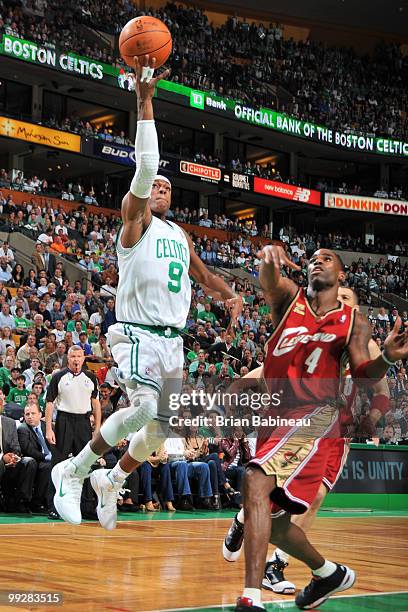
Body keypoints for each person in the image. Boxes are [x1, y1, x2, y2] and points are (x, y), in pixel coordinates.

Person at [51, 55, 242, 531]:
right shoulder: (134, 220)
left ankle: (111, 479)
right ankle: (72, 472)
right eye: (151, 185)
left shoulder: (179, 235)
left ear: (172, 197)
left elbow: (202, 274)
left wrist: (229, 295)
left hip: (172, 340)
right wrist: (144, 99)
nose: (156, 187)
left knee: (160, 426)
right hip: (136, 331)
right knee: (145, 410)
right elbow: (146, 163)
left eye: (164, 187)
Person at [224, 246, 408, 611]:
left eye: (327, 258)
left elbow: (364, 375)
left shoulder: (354, 322)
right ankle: (328, 573)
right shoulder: (289, 300)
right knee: (276, 525)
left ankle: (251, 597)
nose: (317, 260)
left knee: (256, 480)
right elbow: (269, 281)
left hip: (317, 416)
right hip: (276, 416)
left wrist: (385, 358)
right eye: (312, 258)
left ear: (342, 275)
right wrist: (267, 260)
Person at [45, 346, 101, 520]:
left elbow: (96, 404)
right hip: (64, 421)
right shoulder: (58, 377)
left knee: (85, 464)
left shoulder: (91, 378)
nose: (76, 360)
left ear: (83, 358)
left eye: (79, 356)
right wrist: (48, 428)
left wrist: (97, 429)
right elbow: (49, 403)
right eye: (73, 357)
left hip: (84, 422)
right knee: (59, 463)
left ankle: (86, 506)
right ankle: (54, 506)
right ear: (68, 359)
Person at [17, 403, 52, 513]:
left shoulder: (47, 426)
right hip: (36, 460)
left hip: (50, 458)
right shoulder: (23, 429)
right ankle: (37, 502)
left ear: (40, 414)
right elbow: (28, 450)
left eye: (33, 413)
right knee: (47, 467)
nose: (30, 416)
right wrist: (46, 457)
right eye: (27, 414)